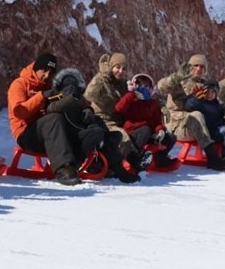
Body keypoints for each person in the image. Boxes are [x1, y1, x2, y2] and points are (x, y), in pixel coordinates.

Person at [8, 53, 135, 186]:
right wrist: (41, 96)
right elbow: (19, 112)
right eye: (43, 70)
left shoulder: (49, 85)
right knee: (54, 118)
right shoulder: (20, 84)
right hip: (26, 134)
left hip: (51, 134)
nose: (46, 75)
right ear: (36, 68)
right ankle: (64, 169)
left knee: (92, 126)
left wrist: (87, 110)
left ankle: (113, 163)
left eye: (50, 72)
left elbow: (69, 102)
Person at [158, 54, 225, 171]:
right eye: (195, 66)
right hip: (179, 127)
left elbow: (218, 103)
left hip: (202, 126)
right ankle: (212, 155)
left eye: (202, 67)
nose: (198, 69)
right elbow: (161, 87)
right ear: (189, 67)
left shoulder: (205, 85)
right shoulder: (179, 81)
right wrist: (176, 77)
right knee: (196, 115)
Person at [84, 52, 142, 174]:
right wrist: (102, 76)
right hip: (102, 120)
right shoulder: (101, 79)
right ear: (111, 67)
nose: (121, 71)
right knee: (123, 136)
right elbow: (88, 95)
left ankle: (137, 160)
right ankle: (132, 163)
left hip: (118, 120)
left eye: (124, 69)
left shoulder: (122, 83)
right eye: (117, 67)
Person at [114, 72, 177, 169]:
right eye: (139, 85)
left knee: (170, 137)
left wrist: (160, 130)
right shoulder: (131, 99)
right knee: (145, 129)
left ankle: (160, 160)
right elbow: (119, 108)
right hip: (133, 133)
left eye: (146, 86)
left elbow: (157, 121)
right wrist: (132, 95)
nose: (143, 88)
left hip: (148, 133)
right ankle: (135, 158)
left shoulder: (153, 103)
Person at [184, 79, 225, 162]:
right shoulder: (200, 102)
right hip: (207, 133)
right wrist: (197, 99)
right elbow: (189, 106)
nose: (209, 94)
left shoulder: (218, 105)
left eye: (212, 92)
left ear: (216, 94)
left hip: (218, 130)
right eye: (207, 91)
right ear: (203, 91)